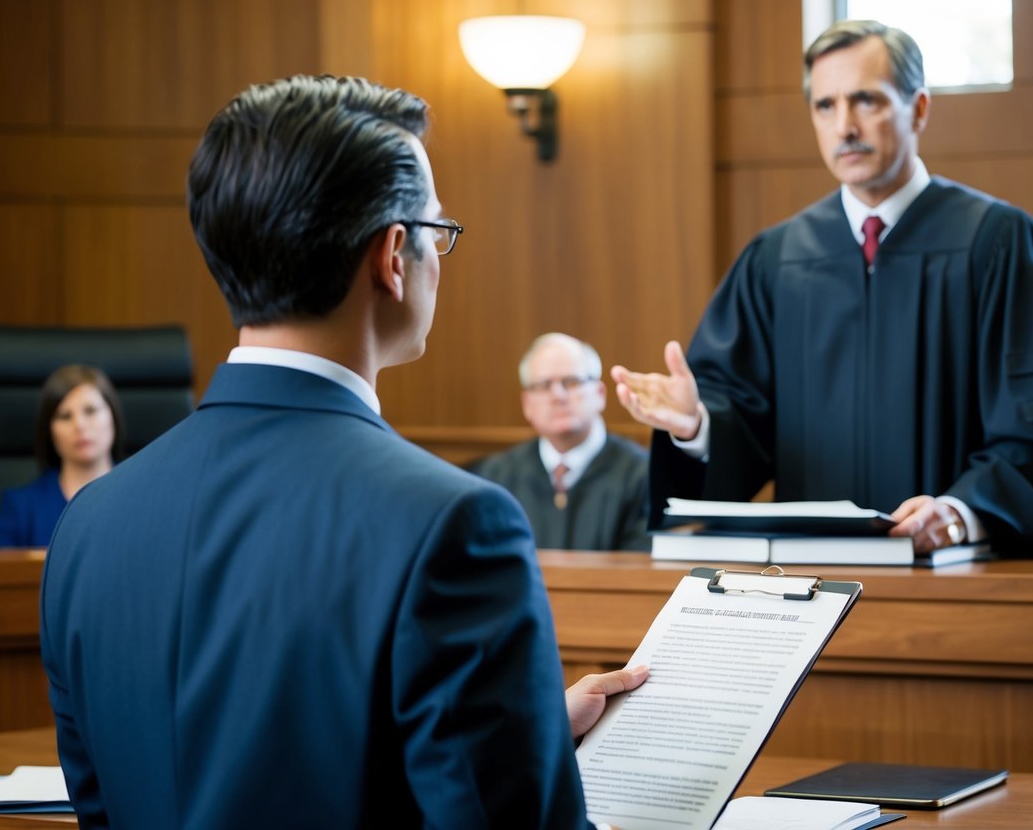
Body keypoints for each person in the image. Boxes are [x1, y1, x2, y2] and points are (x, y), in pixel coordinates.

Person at [39, 76, 645, 829]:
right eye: (438, 231)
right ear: (395, 255)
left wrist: (529, 736)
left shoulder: (89, 521)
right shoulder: (453, 522)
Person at [612, 19, 1033, 559]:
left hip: (959, 581)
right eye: (825, 106)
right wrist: (697, 425)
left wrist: (964, 513)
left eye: (866, 100)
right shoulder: (777, 260)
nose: (844, 125)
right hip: (809, 585)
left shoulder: (997, 244)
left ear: (918, 109)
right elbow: (744, 424)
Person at [470, 333, 651, 551]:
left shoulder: (643, 475)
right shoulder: (496, 476)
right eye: (544, 385)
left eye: (571, 382)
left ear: (600, 393)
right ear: (527, 404)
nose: (558, 395)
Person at [0, 364, 124, 548]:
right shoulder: (20, 508)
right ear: (49, 431)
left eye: (91, 410)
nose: (80, 425)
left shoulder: (144, 496)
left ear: (112, 417)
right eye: (65, 416)